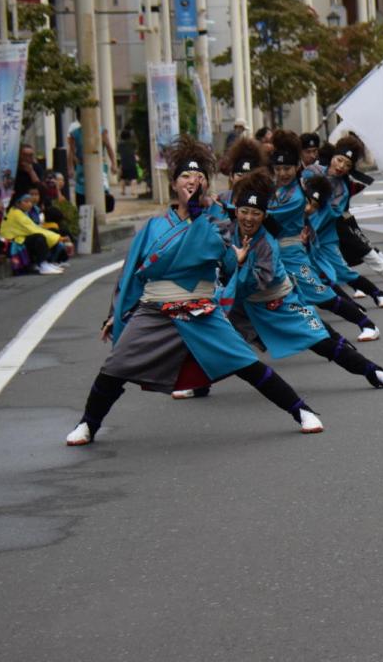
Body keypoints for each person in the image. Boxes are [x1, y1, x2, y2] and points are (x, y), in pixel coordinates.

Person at [64, 135, 324, 446]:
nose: (192, 180)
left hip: (201, 308)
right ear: (174, 183)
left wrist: (215, 235)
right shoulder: (153, 227)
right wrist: (114, 314)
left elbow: (226, 265)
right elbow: (130, 275)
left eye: (198, 176)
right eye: (185, 176)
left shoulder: (216, 222)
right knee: (115, 367)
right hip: (155, 310)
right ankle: (88, 425)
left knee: (247, 364)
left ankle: (301, 410)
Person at [175, 170, 383, 399]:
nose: (248, 218)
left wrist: (239, 268)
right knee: (209, 334)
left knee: (321, 337)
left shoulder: (269, 242)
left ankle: (374, 370)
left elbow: (256, 282)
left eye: (255, 213)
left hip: (279, 300)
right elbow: (205, 224)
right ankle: (199, 384)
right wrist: (196, 197)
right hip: (241, 306)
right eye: (244, 211)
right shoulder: (229, 228)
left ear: (264, 216)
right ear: (237, 211)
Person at [265, 131, 383, 342]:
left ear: (296, 168)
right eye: (278, 169)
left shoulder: (296, 195)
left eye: (287, 169)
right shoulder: (281, 189)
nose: (283, 173)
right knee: (289, 300)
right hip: (274, 255)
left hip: (295, 253)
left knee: (322, 292)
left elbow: (269, 220)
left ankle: (365, 323)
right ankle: (323, 338)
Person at [301, 135, 383, 311]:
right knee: (321, 275)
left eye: (347, 165)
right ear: (332, 157)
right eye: (339, 160)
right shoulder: (311, 171)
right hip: (304, 234)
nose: (341, 166)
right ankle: (352, 307)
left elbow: (328, 215)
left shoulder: (343, 190)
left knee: (342, 271)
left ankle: (378, 294)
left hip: (324, 237)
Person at [0, 190, 71, 275]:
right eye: (26, 201)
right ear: (17, 203)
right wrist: (59, 237)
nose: (29, 204)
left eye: (30, 201)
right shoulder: (16, 213)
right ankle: (43, 264)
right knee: (39, 238)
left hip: (20, 239)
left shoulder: (25, 212)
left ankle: (45, 263)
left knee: (44, 237)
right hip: (14, 243)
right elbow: (33, 229)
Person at [67, 121, 116, 213]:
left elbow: (109, 147)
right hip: (82, 168)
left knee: (102, 192)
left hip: (98, 166)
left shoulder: (101, 131)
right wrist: (71, 167)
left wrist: (113, 163)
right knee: (81, 193)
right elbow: (71, 151)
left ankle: (100, 211)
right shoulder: (75, 133)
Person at [117, 125, 139, 197]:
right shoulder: (133, 144)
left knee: (123, 178)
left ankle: (123, 191)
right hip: (132, 162)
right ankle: (133, 191)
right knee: (133, 178)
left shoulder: (120, 145)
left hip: (124, 163)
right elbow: (135, 151)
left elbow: (118, 154)